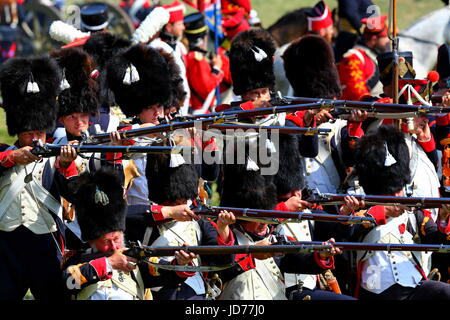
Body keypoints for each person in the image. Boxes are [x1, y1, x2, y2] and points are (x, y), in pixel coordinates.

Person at [341, 125, 450, 300]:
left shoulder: (413, 211)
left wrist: (443, 220)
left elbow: (434, 240)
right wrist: (385, 211)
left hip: (412, 284)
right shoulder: (361, 207)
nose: (399, 193)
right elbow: (350, 232)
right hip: (376, 286)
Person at [0, 55, 78, 300]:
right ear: (18, 130)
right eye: (29, 133)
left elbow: (74, 194)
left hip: (45, 242)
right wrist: (13, 158)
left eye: (39, 132)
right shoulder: (5, 152)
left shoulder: (57, 157)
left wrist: (66, 166)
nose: (35, 138)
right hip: (6, 245)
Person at [61, 168, 198, 300]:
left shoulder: (138, 260)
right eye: (106, 241)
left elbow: (167, 274)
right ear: (92, 241)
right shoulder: (78, 261)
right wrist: (108, 264)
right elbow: (68, 284)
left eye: (116, 239)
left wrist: (181, 263)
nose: (114, 246)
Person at [183, 12, 231, 114]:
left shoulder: (193, 56)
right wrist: (217, 68)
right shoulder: (196, 59)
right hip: (202, 112)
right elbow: (206, 88)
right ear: (203, 38)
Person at [338, 14, 389, 101]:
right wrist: (385, 103)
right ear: (373, 39)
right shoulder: (354, 57)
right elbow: (357, 93)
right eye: (385, 37)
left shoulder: (373, 56)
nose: (388, 40)